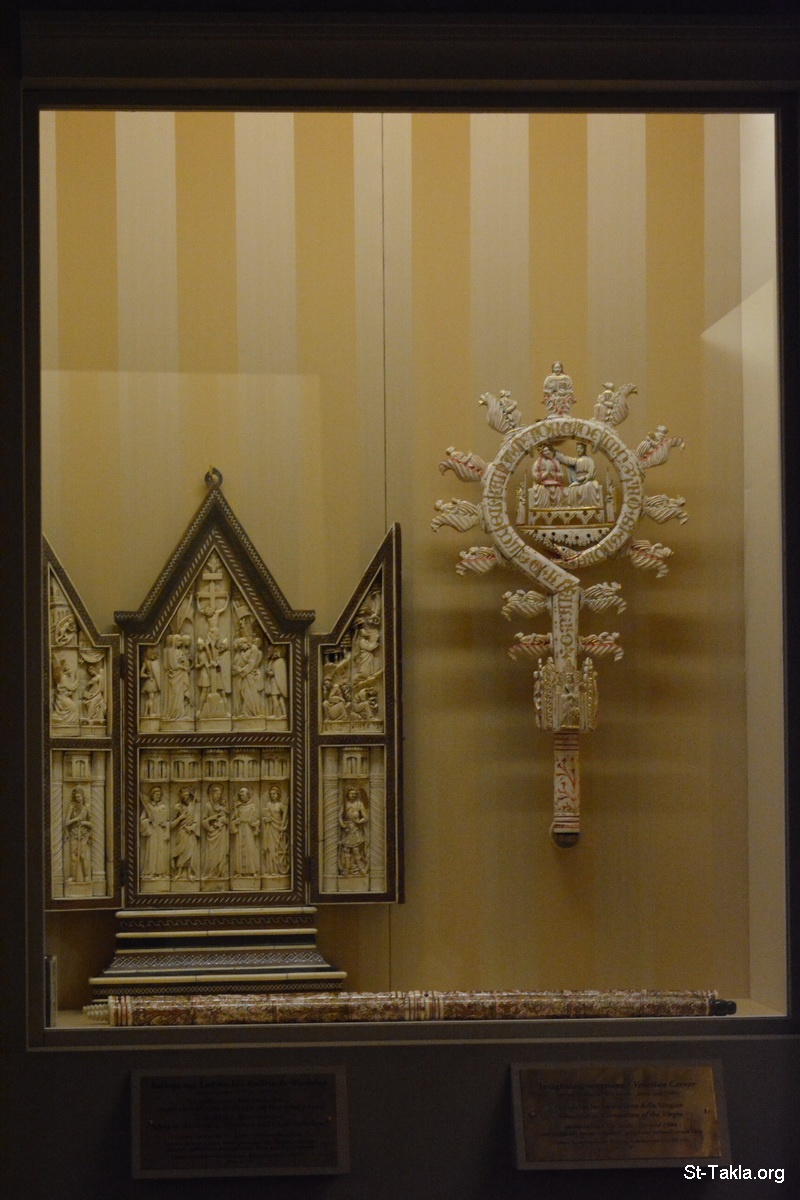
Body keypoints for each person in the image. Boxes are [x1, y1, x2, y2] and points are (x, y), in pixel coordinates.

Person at [338, 786, 369, 877]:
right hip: (347, 829)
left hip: (355, 829)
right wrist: (342, 824)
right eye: (351, 793)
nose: (353, 795)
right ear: (348, 794)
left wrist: (359, 821)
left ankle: (361, 869)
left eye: (355, 794)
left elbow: (366, 817)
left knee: (356, 850)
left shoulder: (359, 804)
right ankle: (347, 870)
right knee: (346, 850)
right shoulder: (345, 804)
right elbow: (340, 816)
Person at [139, 785, 169, 879]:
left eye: (159, 795)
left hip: (160, 831)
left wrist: (165, 824)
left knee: (161, 852)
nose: (158, 796)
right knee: (152, 851)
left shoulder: (163, 807)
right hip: (152, 832)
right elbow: (142, 820)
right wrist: (148, 820)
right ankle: (151, 872)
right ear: (152, 796)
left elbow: (167, 820)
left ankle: (161, 873)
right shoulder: (148, 807)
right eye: (156, 794)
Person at [201, 784, 229, 880]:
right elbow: (203, 821)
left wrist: (225, 821)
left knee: (222, 853)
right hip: (212, 834)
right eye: (216, 794)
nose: (218, 796)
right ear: (212, 794)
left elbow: (228, 821)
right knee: (212, 855)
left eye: (219, 794)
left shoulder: (222, 807)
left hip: (222, 833)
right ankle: (211, 873)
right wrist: (210, 826)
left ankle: (221, 872)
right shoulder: (208, 806)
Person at [170, 787, 199, 881]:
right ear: (181, 796)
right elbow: (171, 825)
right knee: (181, 853)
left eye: (188, 795)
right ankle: (178, 873)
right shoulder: (177, 807)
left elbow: (196, 822)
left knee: (190, 853)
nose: (187, 797)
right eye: (185, 795)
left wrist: (191, 828)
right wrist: (180, 818)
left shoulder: (192, 807)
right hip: (182, 832)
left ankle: (189, 874)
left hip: (190, 832)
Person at [230, 786, 259, 877]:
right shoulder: (237, 807)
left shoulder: (252, 806)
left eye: (243, 795)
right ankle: (239, 871)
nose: (242, 797)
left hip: (248, 829)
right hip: (240, 830)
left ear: (248, 795)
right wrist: (235, 822)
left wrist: (254, 824)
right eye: (241, 795)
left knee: (250, 848)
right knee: (239, 849)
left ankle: (253, 870)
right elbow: (231, 820)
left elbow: (257, 819)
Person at [64, 786, 92, 883]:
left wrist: (84, 822)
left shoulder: (86, 808)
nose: (77, 798)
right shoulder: (72, 807)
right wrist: (76, 819)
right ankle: (73, 877)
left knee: (82, 856)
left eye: (79, 796)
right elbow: (66, 822)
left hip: (83, 834)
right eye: (76, 797)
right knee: (73, 857)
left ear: (82, 796)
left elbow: (92, 824)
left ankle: (86, 876)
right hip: (74, 833)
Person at [262, 784, 290, 877]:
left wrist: (284, 825)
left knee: (277, 848)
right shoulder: (268, 804)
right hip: (270, 827)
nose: (272, 795)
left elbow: (286, 815)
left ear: (278, 794)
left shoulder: (280, 805)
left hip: (277, 828)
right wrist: (265, 820)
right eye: (271, 794)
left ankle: (278, 869)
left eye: (274, 794)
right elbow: (264, 816)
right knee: (270, 849)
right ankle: (270, 870)